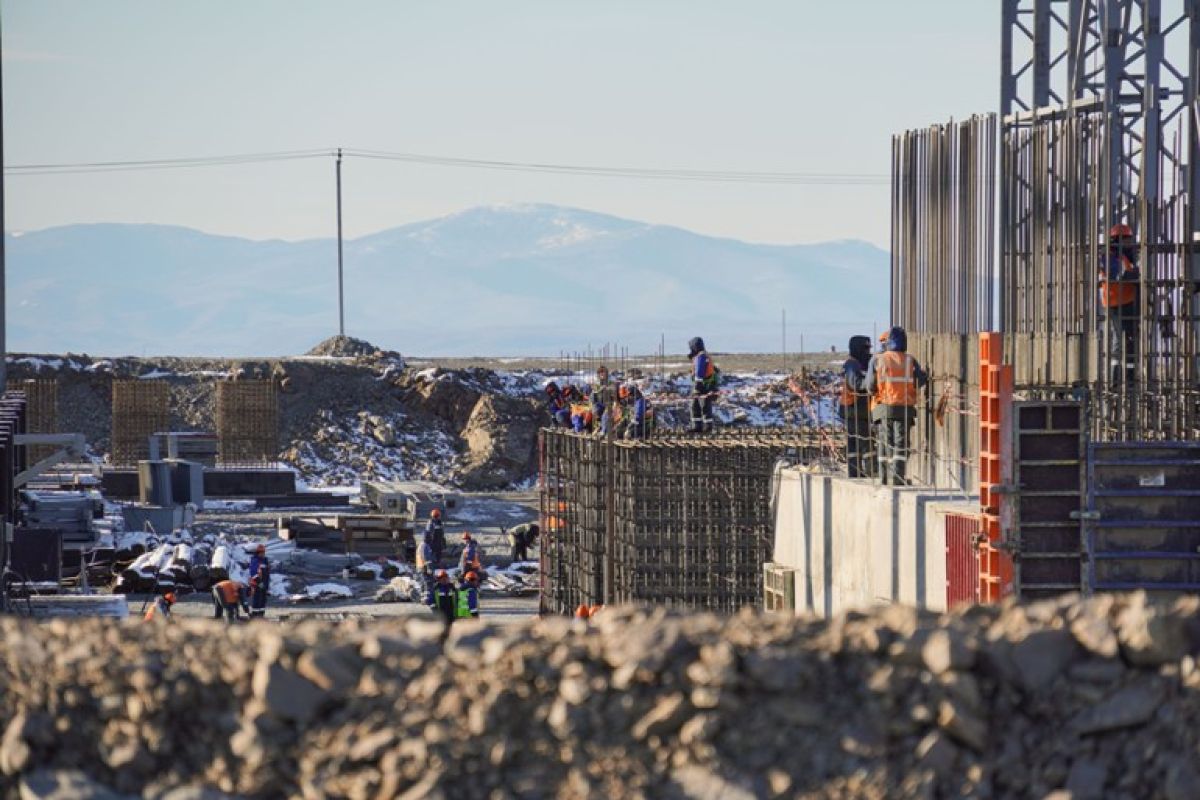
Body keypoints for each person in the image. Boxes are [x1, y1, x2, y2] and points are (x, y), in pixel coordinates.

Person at [865, 326, 928, 486]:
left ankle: (883, 477)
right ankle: (898, 478)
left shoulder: (878, 360)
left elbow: (870, 386)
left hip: (884, 406)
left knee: (885, 441)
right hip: (905, 407)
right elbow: (920, 380)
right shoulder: (910, 360)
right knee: (901, 442)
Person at [1099, 223, 1141, 385]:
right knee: (1122, 340)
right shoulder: (1109, 257)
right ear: (1117, 240)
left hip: (1126, 300)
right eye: (1127, 240)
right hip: (1117, 302)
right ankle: (1120, 379)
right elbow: (1116, 275)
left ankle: (1124, 377)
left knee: (1127, 340)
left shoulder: (1123, 257)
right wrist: (1133, 274)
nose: (1130, 244)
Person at [839, 336, 874, 478]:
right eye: (865, 348)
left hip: (861, 409)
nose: (868, 351)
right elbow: (855, 384)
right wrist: (871, 384)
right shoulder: (852, 364)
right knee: (864, 442)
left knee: (858, 442)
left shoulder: (865, 363)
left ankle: (857, 472)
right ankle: (869, 472)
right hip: (853, 408)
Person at [688, 337, 720, 433]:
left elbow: (699, 372)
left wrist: (697, 387)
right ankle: (699, 426)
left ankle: (706, 427)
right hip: (707, 385)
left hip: (703, 386)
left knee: (702, 406)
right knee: (698, 405)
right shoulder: (702, 356)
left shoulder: (701, 357)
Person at [590, 366, 615, 436]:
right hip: (600, 404)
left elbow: (615, 393)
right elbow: (593, 397)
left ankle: (603, 431)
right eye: (600, 373)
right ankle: (598, 427)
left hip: (609, 404)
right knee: (596, 409)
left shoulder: (611, 382)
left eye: (603, 372)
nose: (602, 374)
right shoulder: (596, 384)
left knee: (605, 415)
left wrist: (607, 389)